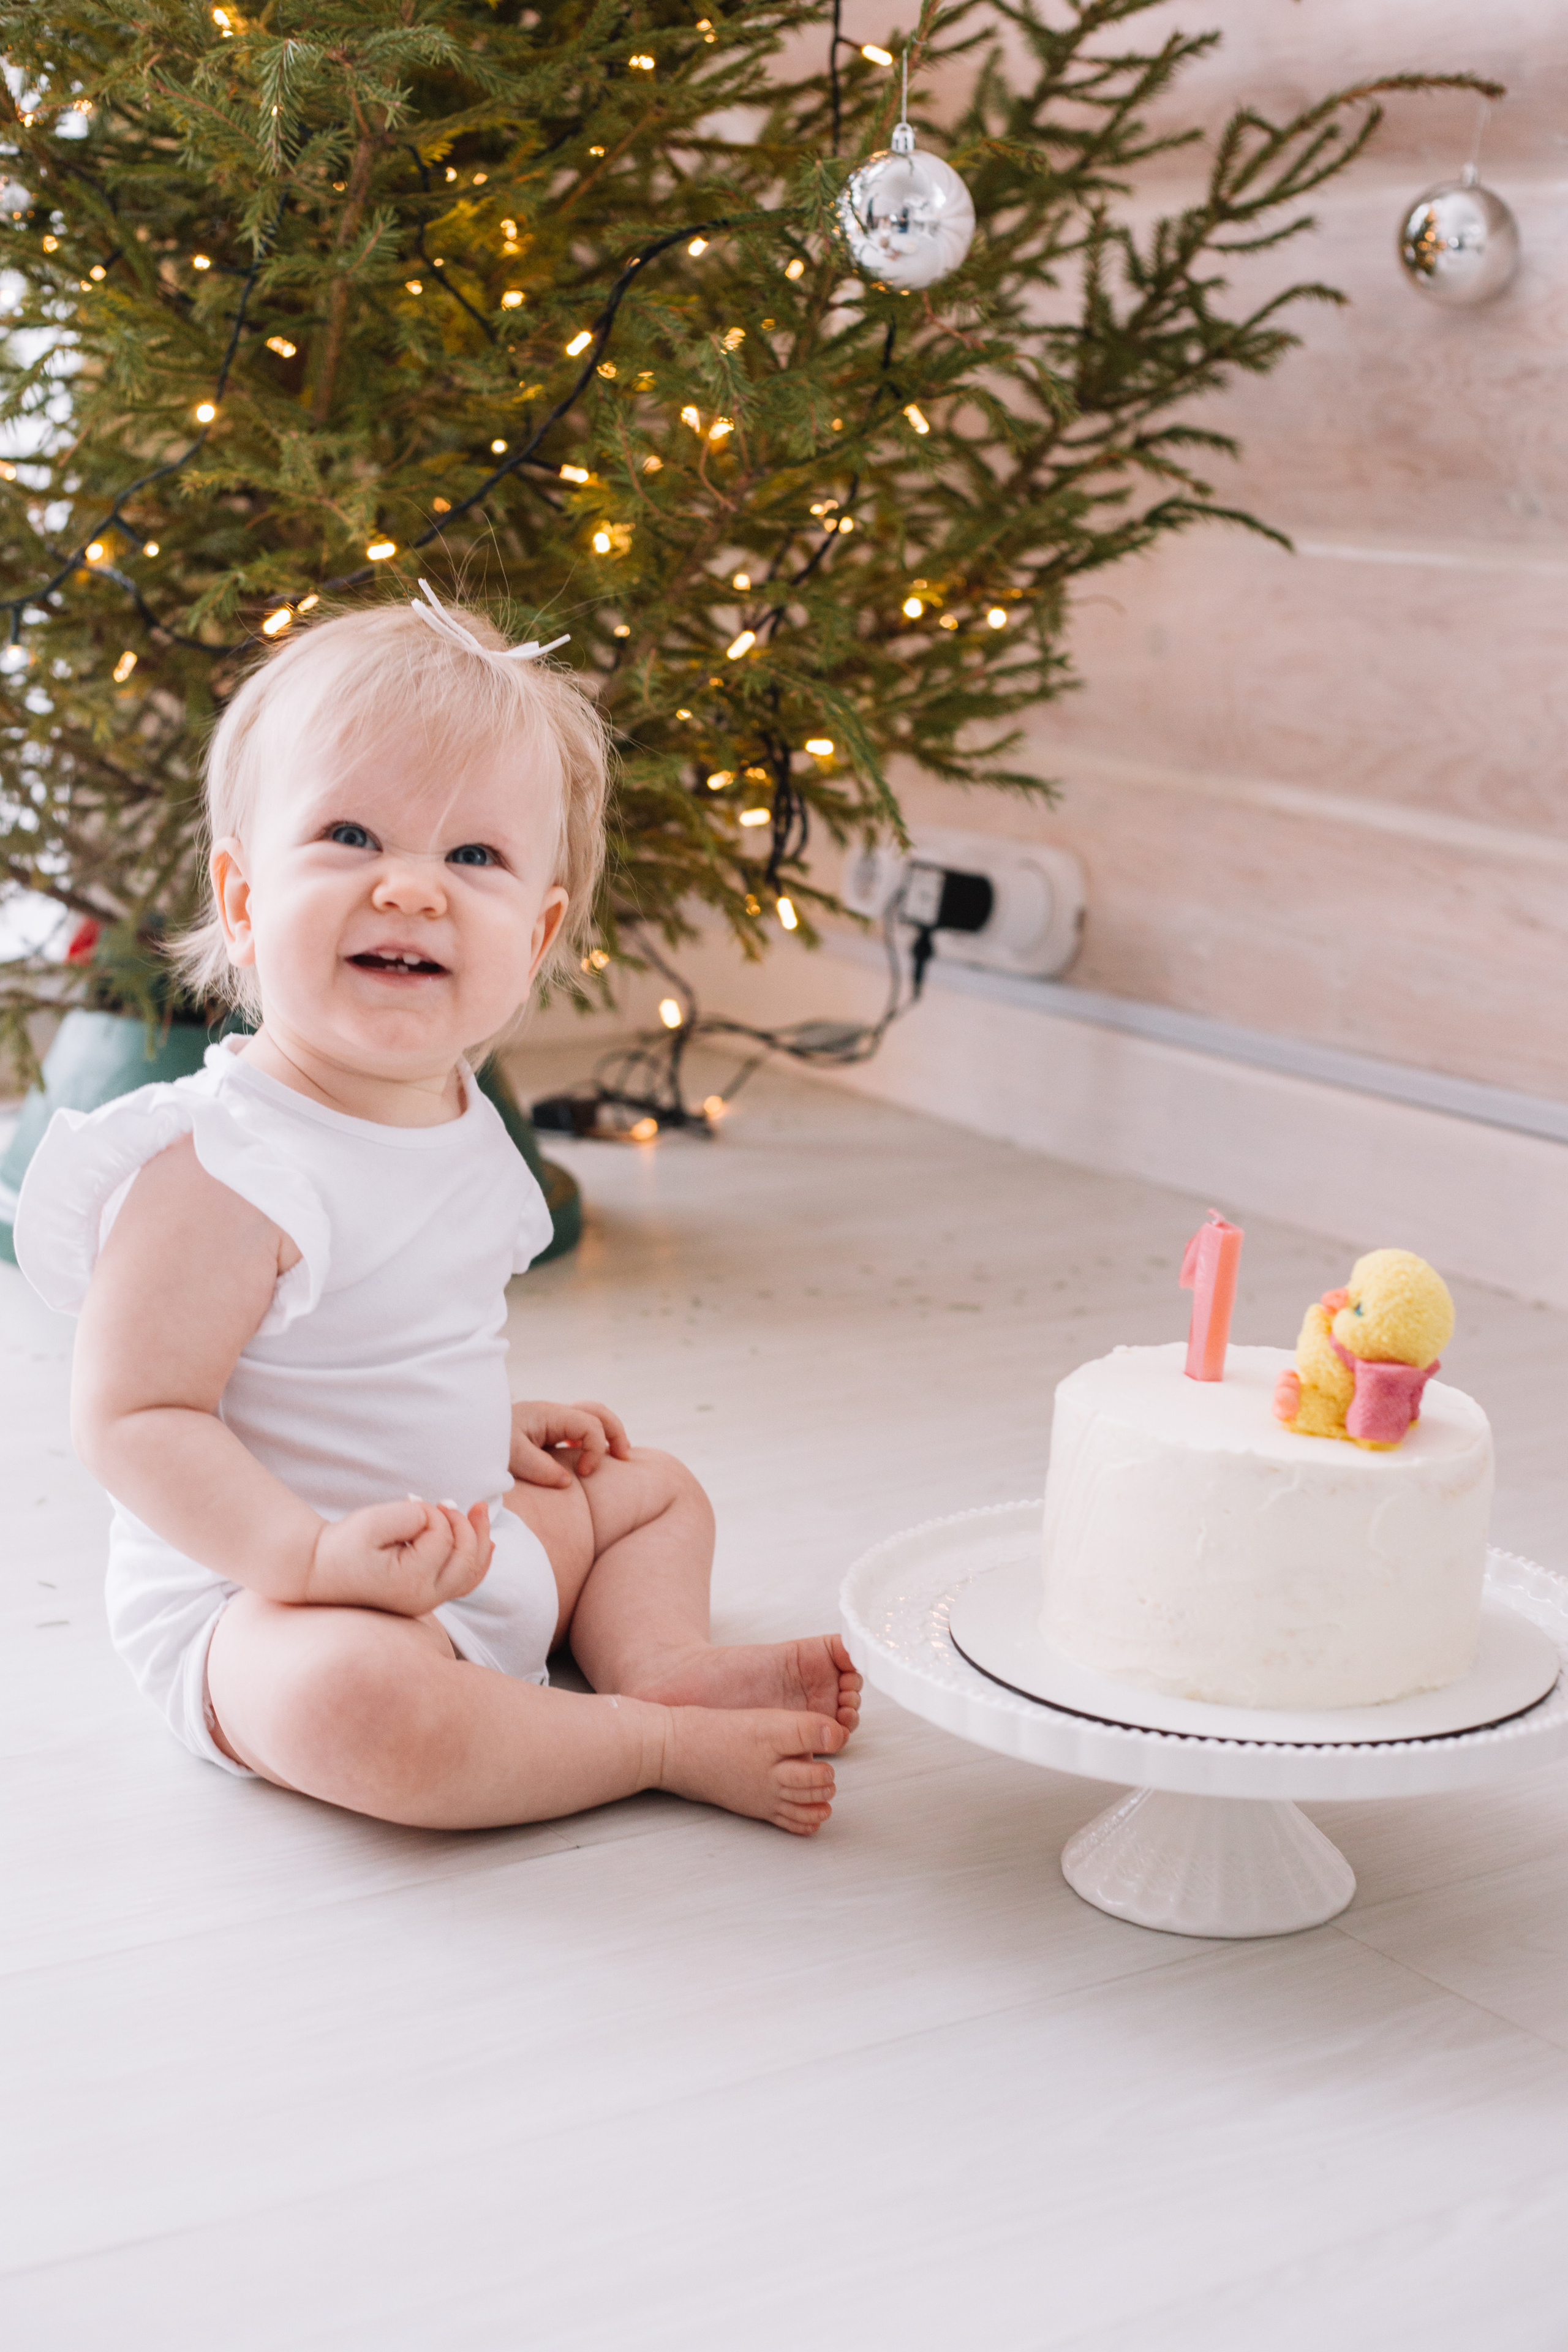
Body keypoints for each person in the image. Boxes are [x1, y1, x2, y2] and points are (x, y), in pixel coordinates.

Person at [15, 586, 859, 1833]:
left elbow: (389, 1343)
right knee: (363, 1710)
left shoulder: (464, 1121)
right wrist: (306, 1558)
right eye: (351, 836)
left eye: (473, 858)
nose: (411, 889)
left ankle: (654, 1656)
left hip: (460, 1538)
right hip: (270, 1605)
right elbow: (135, 1417)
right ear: (243, 903)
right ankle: (645, 1740)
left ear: (537, 934)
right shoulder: (223, 1163)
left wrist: (491, 1426)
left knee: (654, 1488)